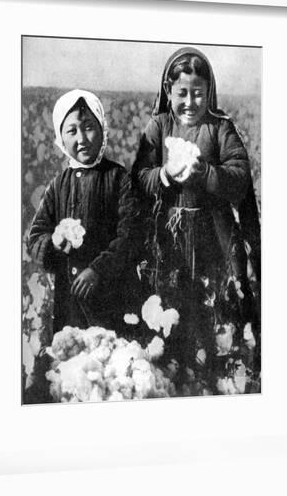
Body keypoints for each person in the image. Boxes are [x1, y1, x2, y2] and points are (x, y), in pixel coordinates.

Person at [132, 47, 261, 387]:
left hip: (212, 239)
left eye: (198, 93)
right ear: (167, 91)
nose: (190, 102)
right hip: (168, 238)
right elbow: (138, 178)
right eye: (182, 93)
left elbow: (240, 176)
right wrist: (164, 175)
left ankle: (219, 377)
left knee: (216, 309)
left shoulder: (220, 129)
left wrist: (205, 172)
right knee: (171, 310)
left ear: (209, 92)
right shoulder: (157, 127)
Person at [27, 89, 141, 335]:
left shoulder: (118, 178)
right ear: (60, 138)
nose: (82, 138)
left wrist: (98, 270)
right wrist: (54, 242)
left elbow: (130, 235)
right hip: (69, 304)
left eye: (89, 127)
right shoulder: (58, 184)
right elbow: (35, 236)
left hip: (111, 299)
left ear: (102, 129)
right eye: (71, 131)